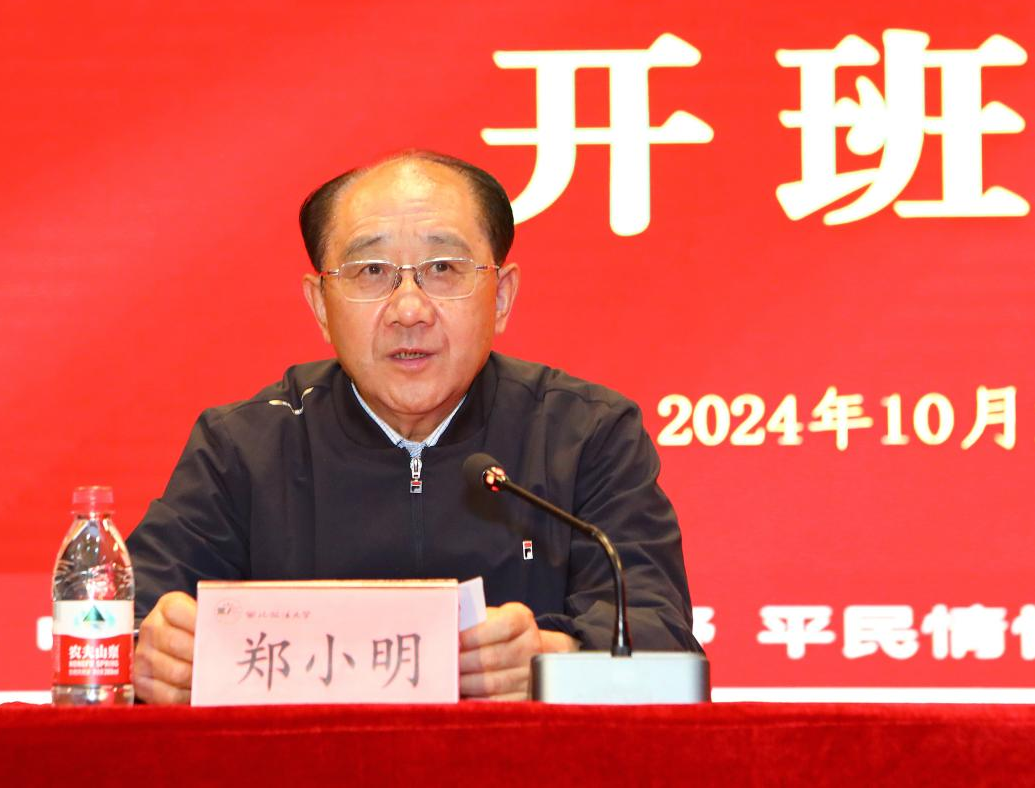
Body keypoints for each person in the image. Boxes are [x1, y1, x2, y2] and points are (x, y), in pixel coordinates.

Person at [128, 150, 700, 704]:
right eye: (371, 271)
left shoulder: (587, 434)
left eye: (443, 269)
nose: (409, 310)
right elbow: (125, 619)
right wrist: (153, 652)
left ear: (501, 296)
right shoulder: (244, 447)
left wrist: (555, 660)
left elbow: (662, 636)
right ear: (320, 305)